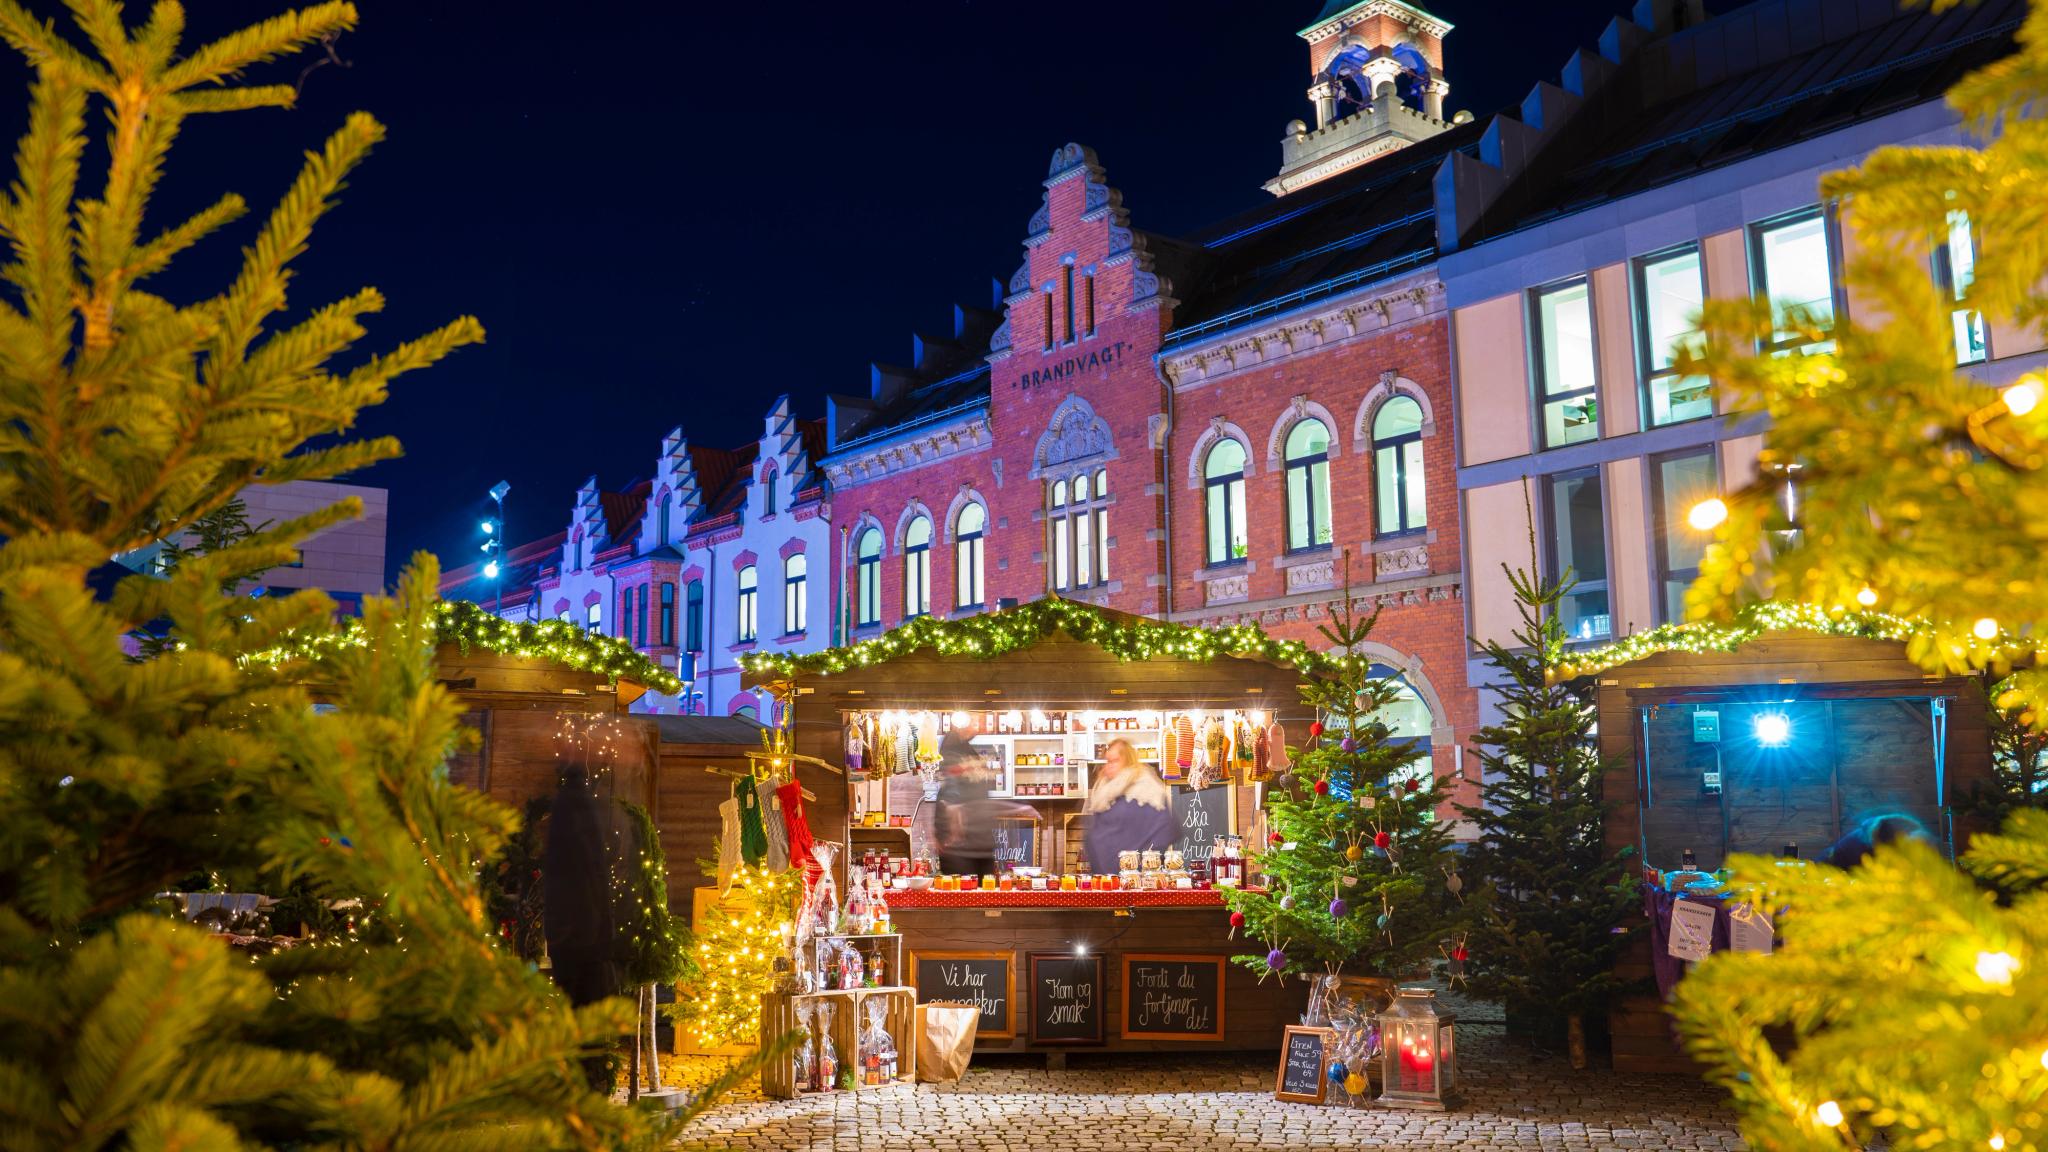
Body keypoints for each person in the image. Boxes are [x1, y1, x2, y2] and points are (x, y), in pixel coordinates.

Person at [1083, 738, 1177, 875]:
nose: (1109, 766)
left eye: (1115, 761)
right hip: (1107, 878)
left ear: (1128, 761)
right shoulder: (1103, 793)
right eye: (1108, 761)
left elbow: (1166, 829)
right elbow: (1094, 834)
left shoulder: (1147, 788)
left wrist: (1144, 862)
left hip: (1140, 878)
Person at [935, 732, 1003, 876]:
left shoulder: (966, 780)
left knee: (969, 888)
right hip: (965, 852)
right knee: (973, 888)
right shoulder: (958, 778)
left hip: (973, 850)